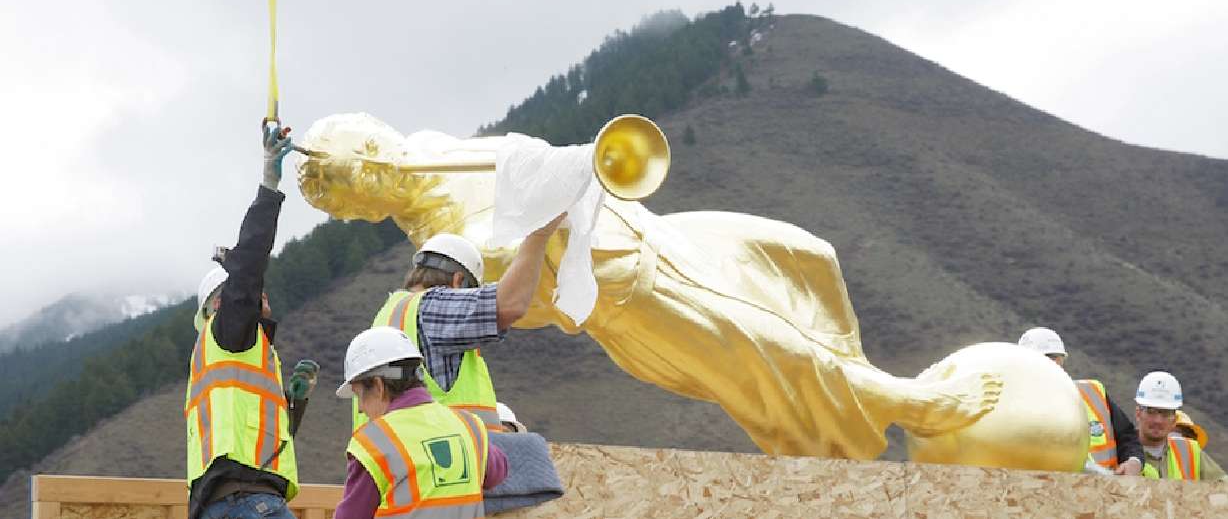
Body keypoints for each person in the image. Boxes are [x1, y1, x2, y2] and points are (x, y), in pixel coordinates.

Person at [297, 115, 1002, 459]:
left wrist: (550, 169)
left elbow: (520, 162)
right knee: (768, 351)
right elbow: (519, 301)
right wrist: (532, 229)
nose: (378, 174)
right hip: (627, 295)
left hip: (642, 228)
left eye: (370, 157)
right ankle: (918, 404)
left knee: (801, 256)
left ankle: (865, 378)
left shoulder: (430, 151)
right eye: (358, 186)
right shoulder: (433, 230)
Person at [184, 122, 301, 519]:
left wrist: (294, 404)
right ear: (221, 303)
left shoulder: (230, 356)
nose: (259, 297)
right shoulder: (229, 331)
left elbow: (257, 445)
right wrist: (269, 184)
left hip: (222, 505)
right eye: (248, 295)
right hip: (249, 505)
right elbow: (250, 264)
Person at [360, 218, 564, 432]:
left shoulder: (391, 316)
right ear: (458, 281)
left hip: (405, 459)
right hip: (440, 462)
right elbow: (508, 305)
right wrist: (539, 235)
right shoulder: (430, 309)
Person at [335, 326, 508, 519]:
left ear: (378, 386)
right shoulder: (469, 425)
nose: (360, 408)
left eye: (359, 395)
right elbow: (497, 473)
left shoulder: (373, 443)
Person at [1017, 327, 1143, 475]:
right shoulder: (1013, 408)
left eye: (1053, 358)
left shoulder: (1093, 393)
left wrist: (1133, 461)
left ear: (1061, 361)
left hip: (1107, 494)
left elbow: (1127, 436)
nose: (1049, 365)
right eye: (1041, 360)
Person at [1134, 371, 1226, 481]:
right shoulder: (1120, 452)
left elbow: (1223, 486)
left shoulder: (1189, 451)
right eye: (1151, 411)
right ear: (1138, 414)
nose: (1158, 420)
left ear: (1174, 419)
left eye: (1166, 413)